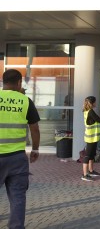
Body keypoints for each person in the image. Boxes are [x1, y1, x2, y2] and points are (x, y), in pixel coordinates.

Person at [0, 69, 41, 229]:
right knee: (18, 196)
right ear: (19, 82)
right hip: (17, 158)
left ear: (3, 82)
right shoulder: (25, 101)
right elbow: (35, 129)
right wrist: (35, 150)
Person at [81, 96, 100, 182]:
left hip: (93, 137)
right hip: (91, 138)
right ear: (92, 103)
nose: (96, 103)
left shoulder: (87, 111)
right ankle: (85, 174)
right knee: (87, 155)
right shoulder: (90, 112)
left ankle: (91, 171)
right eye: (95, 102)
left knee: (92, 154)